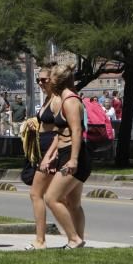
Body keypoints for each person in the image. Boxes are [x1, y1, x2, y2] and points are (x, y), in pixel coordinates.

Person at [42, 64, 91, 249]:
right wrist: (53, 155)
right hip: (66, 153)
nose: (47, 82)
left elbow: (76, 130)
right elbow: (61, 133)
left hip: (74, 155)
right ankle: (78, 239)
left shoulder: (70, 101)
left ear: (58, 81)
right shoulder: (63, 99)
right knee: (73, 203)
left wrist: (74, 159)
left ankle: (73, 238)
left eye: (50, 79)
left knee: (51, 198)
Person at [25, 67, 57, 249]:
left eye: (44, 80)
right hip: (42, 148)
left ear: (54, 79)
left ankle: (40, 239)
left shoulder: (58, 100)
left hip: (51, 151)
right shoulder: (48, 99)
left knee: (36, 194)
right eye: (39, 80)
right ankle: (75, 237)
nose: (41, 83)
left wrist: (51, 155)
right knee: (65, 199)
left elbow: (63, 129)